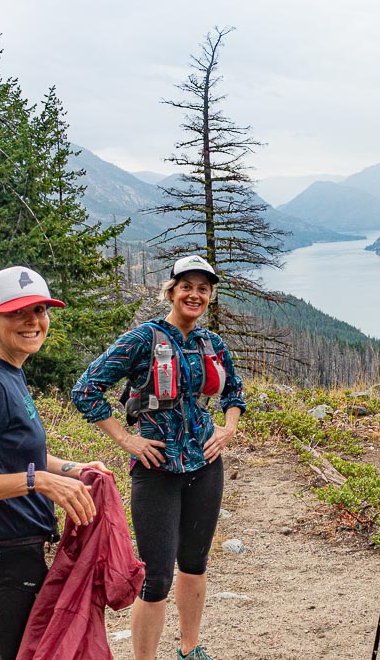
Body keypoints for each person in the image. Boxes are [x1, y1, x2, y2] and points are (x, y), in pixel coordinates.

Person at [71, 254, 245, 660]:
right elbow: (86, 389)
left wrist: (228, 428)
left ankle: (189, 648)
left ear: (209, 297)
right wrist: (126, 440)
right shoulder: (142, 339)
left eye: (203, 289)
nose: (195, 295)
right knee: (155, 577)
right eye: (187, 286)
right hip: (156, 469)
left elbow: (234, 391)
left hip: (205, 466)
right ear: (171, 291)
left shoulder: (211, 343)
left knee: (195, 563)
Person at [0, 266, 109, 660]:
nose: (34, 321)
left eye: (41, 310)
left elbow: (19, 454)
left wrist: (74, 470)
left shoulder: (9, 371)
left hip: (16, 551)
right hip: (2, 557)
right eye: (18, 312)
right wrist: (38, 483)